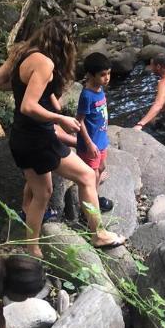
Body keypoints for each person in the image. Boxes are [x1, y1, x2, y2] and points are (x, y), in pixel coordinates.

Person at [0, 17, 124, 255]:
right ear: (64, 42)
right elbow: (28, 107)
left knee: (42, 193)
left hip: (21, 137)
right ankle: (98, 235)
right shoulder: (44, 63)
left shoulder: (22, 52)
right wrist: (59, 118)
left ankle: (33, 248)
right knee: (83, 176)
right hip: (37, 138)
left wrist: (29, 85)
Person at [55, 52, 113, 214]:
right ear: (90, 75)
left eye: (108, 73)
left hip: (101, 140)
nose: (107, 78)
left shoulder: (100, 89)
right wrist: (88, 143)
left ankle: (95, 195)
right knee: (91, 173)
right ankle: (88, 208)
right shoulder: (87, 95)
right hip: (90, 143)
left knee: (101, 167)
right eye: (102, 75)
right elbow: (79, 121)